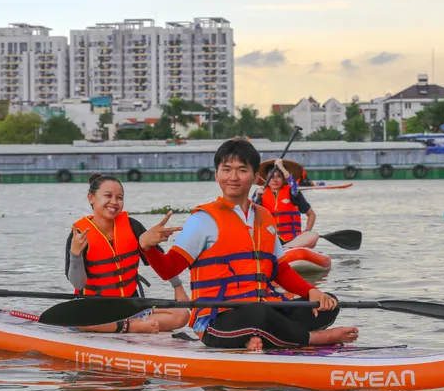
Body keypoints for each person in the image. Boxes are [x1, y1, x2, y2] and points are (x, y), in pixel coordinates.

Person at [143, 138, 359, 351]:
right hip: (217, 318)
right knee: (258, 313)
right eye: (226, 169)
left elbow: (281, 270)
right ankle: (313, 338)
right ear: (217, 175)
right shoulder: (203, 219)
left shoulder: (264, 217)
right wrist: (147, 247)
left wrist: (312, 291)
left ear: (256, 177)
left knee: (329, 304)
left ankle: (259, 338)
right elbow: (169, 269)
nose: (233, 177)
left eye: (242, 170)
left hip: (264, 307)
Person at [65, 173, 190, 334]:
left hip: (130, 306)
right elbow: (78, 284)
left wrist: (177, 286)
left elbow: (159, 262)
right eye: (108, 196)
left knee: (181, 315)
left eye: (119, 197)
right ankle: (130, 326)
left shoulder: (132, 226)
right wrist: (75, 255)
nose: (114, 202)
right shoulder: (79, 235)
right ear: (91, 198)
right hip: (93, 309)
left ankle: (124, 324)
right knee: (78, 319)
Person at [253, 159, 319, 249]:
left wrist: (306, 231)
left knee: (313, 235)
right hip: (269, 239)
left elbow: (311, 215)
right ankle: (280, 249)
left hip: (292, 240)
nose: (275, 180)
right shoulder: (259, 193)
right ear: (266, 179)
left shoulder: (292, 192)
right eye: (271, 177)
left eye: (278, 176)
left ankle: (285, 248)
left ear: (283, 178)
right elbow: (249, 216)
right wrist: (256, 197)